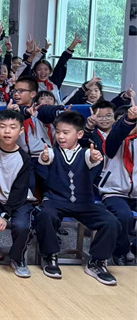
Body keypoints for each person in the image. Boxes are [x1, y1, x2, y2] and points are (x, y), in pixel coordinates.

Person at [33, 111, 118, 285]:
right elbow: (45, 159)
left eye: (66, 132)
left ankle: (97, 261)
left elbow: (92, 159)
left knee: (111, 222)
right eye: (58, 132)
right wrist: (43, 157)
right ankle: (49, 256)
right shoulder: (53, 152)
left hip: (84, 204)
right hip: (55, 201)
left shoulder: (86, 153)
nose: (60, 136)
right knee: (45, 215)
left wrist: (95, 158)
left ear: (79, 134)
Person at [0, 109, 34, 278]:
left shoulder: (24, 158)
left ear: (21, 130)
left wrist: (4, 216)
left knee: (22, 226)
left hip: (19, 201)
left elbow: (18, 192)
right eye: (2, 126)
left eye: (12, 127)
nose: (7, 131)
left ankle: (17, 258)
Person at [98, 100, 137, 266]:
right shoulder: (113, 140)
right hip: (114, 191)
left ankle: (135, 247)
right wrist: (128, 120)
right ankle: (120, 251)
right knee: (124, 215)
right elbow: (115, 138)